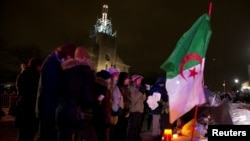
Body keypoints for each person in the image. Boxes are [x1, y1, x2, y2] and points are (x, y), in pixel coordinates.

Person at [36, 43, 77, 141]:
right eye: (71, 57)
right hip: (48, 109)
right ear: (66, 55)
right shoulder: (52, 63)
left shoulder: (55, 63)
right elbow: (53, 87)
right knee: (47, 136)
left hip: (50, 108)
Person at [55, 46, 97, 141]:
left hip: (62, 111)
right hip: (78, 113)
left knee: (63, 137)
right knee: (91, 137)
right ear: (84, 58)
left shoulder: (64, 71)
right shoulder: (86, 72)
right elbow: (88, 97)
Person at [15, 57, 42, 141]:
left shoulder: (23, 74)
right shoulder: (35, 76)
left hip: (23, 109)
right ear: (37, 66)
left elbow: (19, 89)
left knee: (23, 135)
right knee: (28, 134)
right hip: (30, 109)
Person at [92, 70, 112, 141]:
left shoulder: (97, 86)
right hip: (100, 116)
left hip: (98, 115)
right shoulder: (102, 88)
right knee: (101, 135)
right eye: (109, 78)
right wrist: (106, 118)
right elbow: (100, 102)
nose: (110, 80)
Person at [126, 74, 146, 141]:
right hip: (134, 110)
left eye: (141, 80)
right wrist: (140, 92)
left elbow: (143, 99)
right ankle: (131, 139)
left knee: (138, 127)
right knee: (133, 127)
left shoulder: (139, 88)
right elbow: (133, 99)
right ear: (135, 80)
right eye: (139, 79)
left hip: (140, 110)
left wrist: (143, 92)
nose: (140, 81)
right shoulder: (132, 88)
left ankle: (136, 138)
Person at [148, 76, 168, 141]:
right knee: (156, 121)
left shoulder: (164, 89)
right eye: (160, 83)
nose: (162, 84)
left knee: (160, 122)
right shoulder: (155, 88)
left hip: (161, 108)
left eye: (163, 83)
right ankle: (155, 135)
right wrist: (160, 101)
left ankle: (159, 134)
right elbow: (153, 97)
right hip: (155, 108)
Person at [112, 72, 130, 141]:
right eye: (127, 78)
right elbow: (115, 101)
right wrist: (119, 110)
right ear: (123, 79)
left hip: (125, 112)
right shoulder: (118, 88)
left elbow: (127, 100)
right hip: (119, 113)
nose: (129, 80)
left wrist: (127, 110)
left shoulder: (126, 88)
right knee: (118, 131)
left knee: (123, 131)